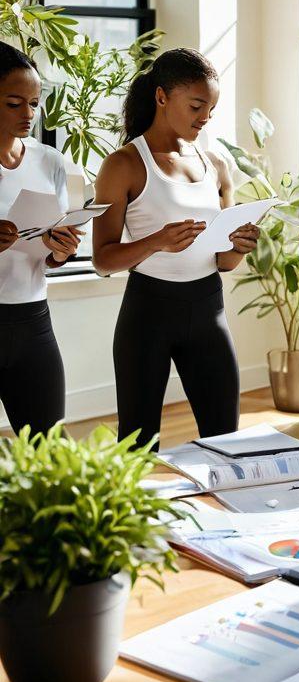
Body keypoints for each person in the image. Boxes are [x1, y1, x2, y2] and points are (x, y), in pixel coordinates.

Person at [93, 49, 259, 448]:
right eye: (196, 106)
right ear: (162, 97)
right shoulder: (124, 164)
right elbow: (102, 260)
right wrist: (156, 242)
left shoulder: (216, 164)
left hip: (207, 309)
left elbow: (223, 262)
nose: (204, 118)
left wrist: (240, 247)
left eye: (211, 110)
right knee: (137, 444)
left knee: (225, 438)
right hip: (148, 314)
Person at [0, 43, 80, 434]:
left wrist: (60, 251)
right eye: (15, 103)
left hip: (32, 320)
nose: (29, 114)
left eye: (34, 103)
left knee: (50, 448)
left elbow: (48, 251)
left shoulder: (48, 160)